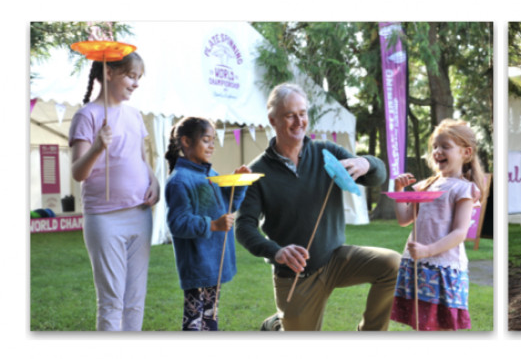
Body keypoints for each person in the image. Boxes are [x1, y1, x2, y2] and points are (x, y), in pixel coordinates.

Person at [235, 83, 398, 331]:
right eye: (290, 115)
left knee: (393, 265)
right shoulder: (257, 171)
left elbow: (377, 175)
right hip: (295, 273)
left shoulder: (326, 152)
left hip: (335, 258)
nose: (299, 121)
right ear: (273, 120)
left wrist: (367, 162)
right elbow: (244, 226)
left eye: (303, 113)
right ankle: (278, 326)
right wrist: (276, 251)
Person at [68, 52, 159, 331]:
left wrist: (153, 181)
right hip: (105, 219)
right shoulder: (86, 116)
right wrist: (97, 147)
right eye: (131, 76)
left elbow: (142, 159)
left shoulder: (134, 115)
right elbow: (78, 173)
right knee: (111, 302)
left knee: (135, 299)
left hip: (140, 214)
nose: (136, 83)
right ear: (108, 73)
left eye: (138, 78)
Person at [389, 119, 484, 331]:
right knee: (422, 325)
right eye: (435, 147)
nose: (437, 151)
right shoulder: (425, 186)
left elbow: (460, 233)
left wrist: (428, 250)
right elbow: (404, 219)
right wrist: (399, 191)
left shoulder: (464, 189)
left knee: (441, 328)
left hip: (443, 267)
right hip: (419, 264)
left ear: (465, 153)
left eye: (445, 146)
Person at [164, 116, 251, 330]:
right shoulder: (179, 180)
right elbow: (177, 222)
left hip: (214, 261)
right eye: (206, 140)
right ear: (186, 142)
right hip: (198, 264)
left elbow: (226, 208)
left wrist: (238, 185)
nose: (212, 145)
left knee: (210, 320)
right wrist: (212, 225)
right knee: (195, 322)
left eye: (213, 140)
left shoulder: (211, 174)